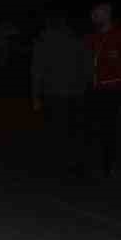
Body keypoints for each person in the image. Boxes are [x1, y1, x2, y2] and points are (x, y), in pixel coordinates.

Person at [30, 10, 89, 174]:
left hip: (54, 92)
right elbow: (86, 67)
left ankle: (58, 164)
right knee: (71, 129)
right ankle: (71, 163)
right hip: (73, 92)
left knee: (56, 129)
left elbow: (36, 71)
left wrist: (35, 95)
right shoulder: (75, 39)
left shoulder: (45, 40)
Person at [84, 0, 121, 179]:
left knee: (111, 128)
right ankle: (97, 164)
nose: (93, 16)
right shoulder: (92, 37)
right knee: (95, 127)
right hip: (94, 88)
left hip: (114, 88)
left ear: (107, 13)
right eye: (93, 13)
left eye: (97, 13)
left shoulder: (120, 35)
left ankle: (109, 166)